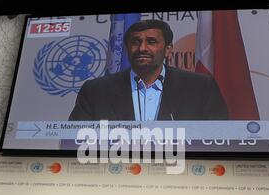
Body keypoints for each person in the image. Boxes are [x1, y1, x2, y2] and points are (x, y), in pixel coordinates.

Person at [69, 19, 228, 121]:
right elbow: (73, 140)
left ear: (168, 49)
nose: (142, 48)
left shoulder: (200, 87)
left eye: (151, 41)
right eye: (135, 42)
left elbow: (221, 137)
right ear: (127, 48)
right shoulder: (96, 91)